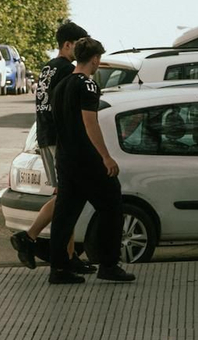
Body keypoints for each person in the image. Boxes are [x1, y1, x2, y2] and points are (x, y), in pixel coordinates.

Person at [48, 37, 134, 285]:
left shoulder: (61, 85)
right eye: (99, 59)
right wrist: (105, 157)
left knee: (65, 213)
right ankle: (109, 264)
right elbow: (90, 123)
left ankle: (59, 268)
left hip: (65, 158)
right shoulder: (87, 85)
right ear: (95, 59)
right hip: (86, 158)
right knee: (111, 204)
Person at [10, 20, 89, 269]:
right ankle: (29, 237)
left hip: (44, 135)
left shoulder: (48, 68)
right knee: (66, 197)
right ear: (67, 45)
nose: (81, 51)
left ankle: (69, 255)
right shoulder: (67, 70)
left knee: (66, 197)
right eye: (79, 45)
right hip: (58, 139)